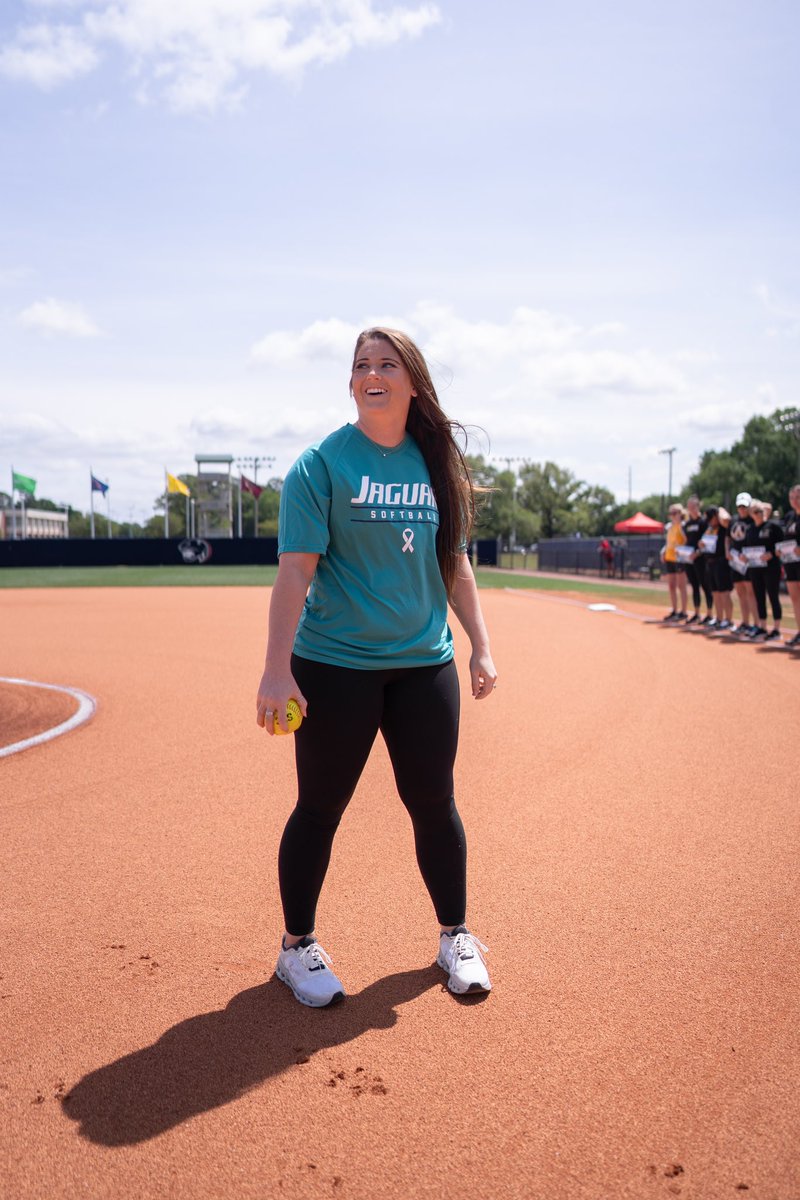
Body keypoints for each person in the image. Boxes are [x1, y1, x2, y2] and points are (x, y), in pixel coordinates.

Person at [255, 327, 497, 1007]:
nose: (371, 373)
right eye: (361, 364)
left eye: (386, 363)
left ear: (411, 381)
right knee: (321, 806)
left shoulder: (435, 463)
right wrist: (277, 671)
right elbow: (294, 573)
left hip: (425, 665)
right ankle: (296, 947)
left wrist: (480, 642)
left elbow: (454, 565)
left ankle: (456, 936)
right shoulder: (321, 464)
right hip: (336, 665)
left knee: (434, 802)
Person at [746, 501, 783, 641]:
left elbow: (781, 545)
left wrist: (772, 553)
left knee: (773, 596)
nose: (759, 514)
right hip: (755, 568)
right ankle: (762, 626)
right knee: (759, 596)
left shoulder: (773, 527)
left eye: (761, 510)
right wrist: (745, 556)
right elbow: (747, 548)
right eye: (755, 511)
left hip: (771, 567)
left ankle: (777, 629)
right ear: (751, 514)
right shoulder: (750, 530)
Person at [726, 492, 757, 636]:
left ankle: (756, 624)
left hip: (749, 562)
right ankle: (745, 622)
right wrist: (727, 551)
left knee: (751, 592)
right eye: (740, 506)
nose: (742, 509)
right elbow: (727, 537)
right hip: (735, 561)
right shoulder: (733, 521)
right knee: (740, 593)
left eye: (745, 506)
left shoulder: (753, 520)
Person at [682, 495, 713, 625]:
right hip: (690, 559)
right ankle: (696, 613)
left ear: (698, 506)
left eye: (693, 506)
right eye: (689, 507)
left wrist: (698, 552)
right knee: (694, 586)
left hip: (701, 558)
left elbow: (707, 541)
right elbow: (686, 541)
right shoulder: (688, 524)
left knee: (705, 585)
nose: (691, 509)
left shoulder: (704, 522)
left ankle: (710, 614)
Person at [703, 506, 733, 629]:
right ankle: (719, 618)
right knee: (715, 592)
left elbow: (727, 518)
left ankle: (728, 620)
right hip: (711, 562)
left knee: (724, 592)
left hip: (722, 563)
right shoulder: (710, 529)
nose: (710, 521)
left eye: (712, 518)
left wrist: (718, 510)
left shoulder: (723, 527)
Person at [779, 483, 800, 647]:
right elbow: (782, 540)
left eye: (798, 497)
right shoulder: (788, 517)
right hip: (791, 563)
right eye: (792, 497)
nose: (795, 501)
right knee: (795, 599)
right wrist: (779, 550)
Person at [660, 504, 688, 621]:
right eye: (671, 513)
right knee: (671, 586)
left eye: (674, 513)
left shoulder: (683, 526)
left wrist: (682, 549)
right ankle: (674, 610)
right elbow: (668, 542)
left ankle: (683, 611)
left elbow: (687, 540)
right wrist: (663, 551)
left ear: (680, 513)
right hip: (670, 557)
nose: (672, 516)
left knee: (681, 585)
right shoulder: (669, 527)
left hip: (680, 558)